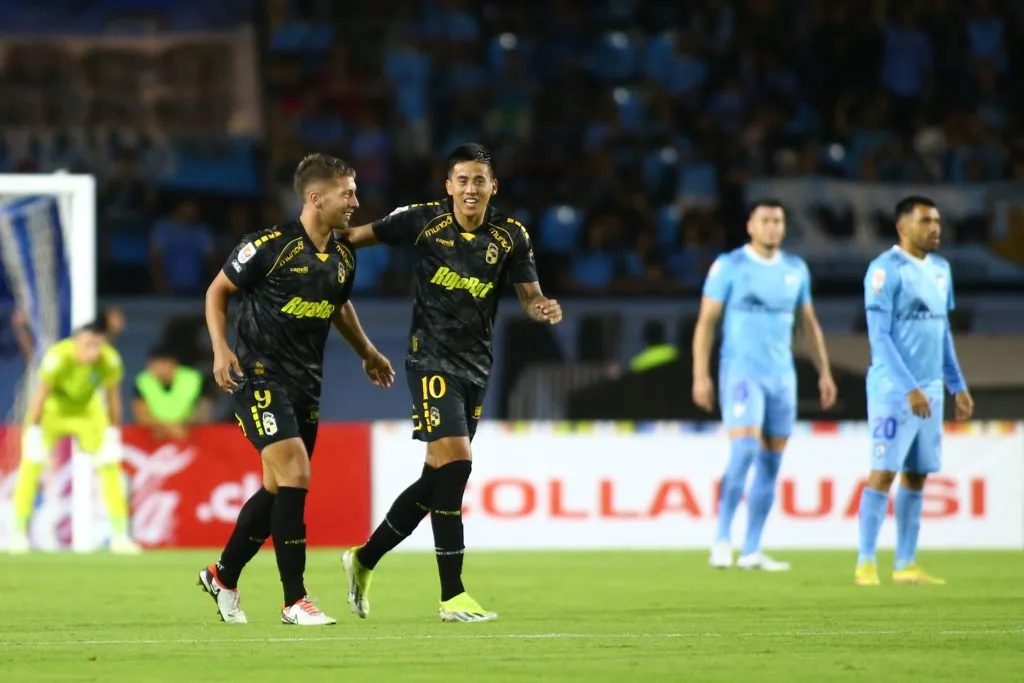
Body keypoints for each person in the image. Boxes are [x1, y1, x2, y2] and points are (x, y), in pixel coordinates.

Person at [341, 143, 562, 623]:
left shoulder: (511, 235)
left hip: (476, 368)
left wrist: (541, 306)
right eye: (462, 180)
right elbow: (354, 236)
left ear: (493, 187)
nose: (470, 188)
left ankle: (364, 557)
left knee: (436, 480)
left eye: (479, 180)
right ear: (448, 186)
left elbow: (530, 295)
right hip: (430, 361)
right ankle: (452, 595)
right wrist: (309, 238)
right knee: (458, 464)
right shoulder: (422, 220)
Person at [197, 153, 395, 626]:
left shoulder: (343, 255)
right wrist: (221, 349)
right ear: (315, 197)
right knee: (296, 472)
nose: (355, 202)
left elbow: (338, 306)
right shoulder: (268, 246)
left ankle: (222, 576)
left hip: (307, 383)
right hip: (258, 376)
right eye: (347, 193)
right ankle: (294, 600)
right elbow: (217, 291)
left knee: (276, 488)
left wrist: (368, 351)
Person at [692, 199, 837, 571]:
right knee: (743, 451)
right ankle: (721, 539)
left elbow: (809, 324)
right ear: (750, 226)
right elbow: (706, 322)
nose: (772, 226)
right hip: (741, 373)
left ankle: (752, 549)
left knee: (772, 462)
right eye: (766, 220)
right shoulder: (730, 266)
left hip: (782, 377)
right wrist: (701, 375)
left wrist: (824, 372)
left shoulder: (795, 269)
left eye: (778, 220)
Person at [855, 196, 973, 586]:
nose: (935, 228)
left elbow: (942, 332)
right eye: (925, 221)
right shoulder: (884, 270)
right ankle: (866, 562)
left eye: (937, 221)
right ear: (902, 227)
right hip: (893, 390)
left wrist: (957, 384)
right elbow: (880, 337)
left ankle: (905, 563)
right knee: (883, 472)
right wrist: (909, 387)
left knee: (918, 475)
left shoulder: (941, 269)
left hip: (932, 390)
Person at [8, 320, 139, 554]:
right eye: (88, 345)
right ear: (75, 342)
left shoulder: (109, 359)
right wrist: (33, 429)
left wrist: (112, 430)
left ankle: (120, 536)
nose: (93, 351)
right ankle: (17, 534)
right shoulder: (57, 357)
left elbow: (113, 396)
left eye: (98, 345)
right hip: (54, 411)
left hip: (88, 412)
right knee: (31, 465)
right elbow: (41, 394)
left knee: (110, 465)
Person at [132, 345, 212, 441]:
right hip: (154, 436)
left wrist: (183, 425)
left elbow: (203, 411)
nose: (152, 368)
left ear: (172, 363)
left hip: (190, 435)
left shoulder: (193, 379)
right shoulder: (143, 381)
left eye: (159, 364)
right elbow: (140, 413)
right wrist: (167, 428)